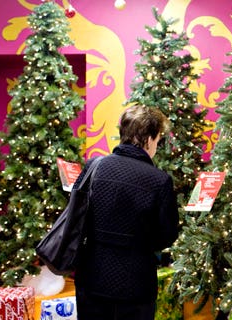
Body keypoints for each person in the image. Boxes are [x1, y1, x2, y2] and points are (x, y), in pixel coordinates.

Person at [75, 105, 179, 320]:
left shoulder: (94, 166)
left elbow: (77, 215)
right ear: (149, 138)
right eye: (158, 139)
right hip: (135, 282)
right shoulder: (159, 180)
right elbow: (166, 235)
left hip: (92, 276)